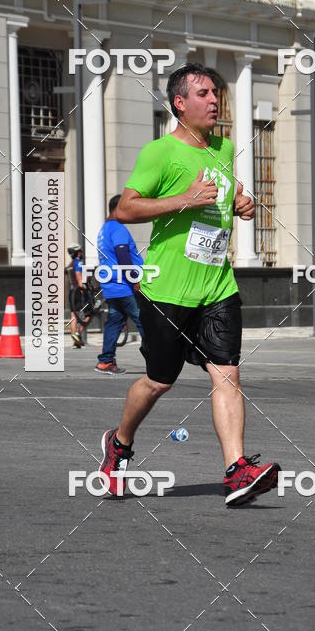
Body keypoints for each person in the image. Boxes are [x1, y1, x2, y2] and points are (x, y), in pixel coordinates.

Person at [99, 63, 281, 506]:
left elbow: (224, 192)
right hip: (167, 291)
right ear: (180, 103)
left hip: (217, 287)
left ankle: (237, 471)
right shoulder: (158, 152)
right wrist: (184, 200)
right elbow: (125, 209)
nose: (215, 100)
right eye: (203, 93)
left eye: (216, 92)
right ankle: (119, 445)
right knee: (159, 381)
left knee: (227, 374)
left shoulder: (223, 146)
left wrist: (242, 202)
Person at [95, 195, 145, 375]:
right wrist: (134, 280)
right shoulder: (118, 228)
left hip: (111, 285)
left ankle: (105, 361)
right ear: (118, 208)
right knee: (144, 320)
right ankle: (157, 361)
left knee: (115, 322)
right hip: (124, 285)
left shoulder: (104, 229)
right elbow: (123, 255)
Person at [66, 244, 89, 348]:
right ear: (78, 253)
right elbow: (79, 276)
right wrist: (83, 290)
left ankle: (74, 337)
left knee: (73, 316)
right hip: (78, 291)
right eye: (80, 251)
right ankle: (78, 334)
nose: (81, 253)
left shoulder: (70, 264)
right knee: (89, 313)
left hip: (71, 291)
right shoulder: (78, 262)